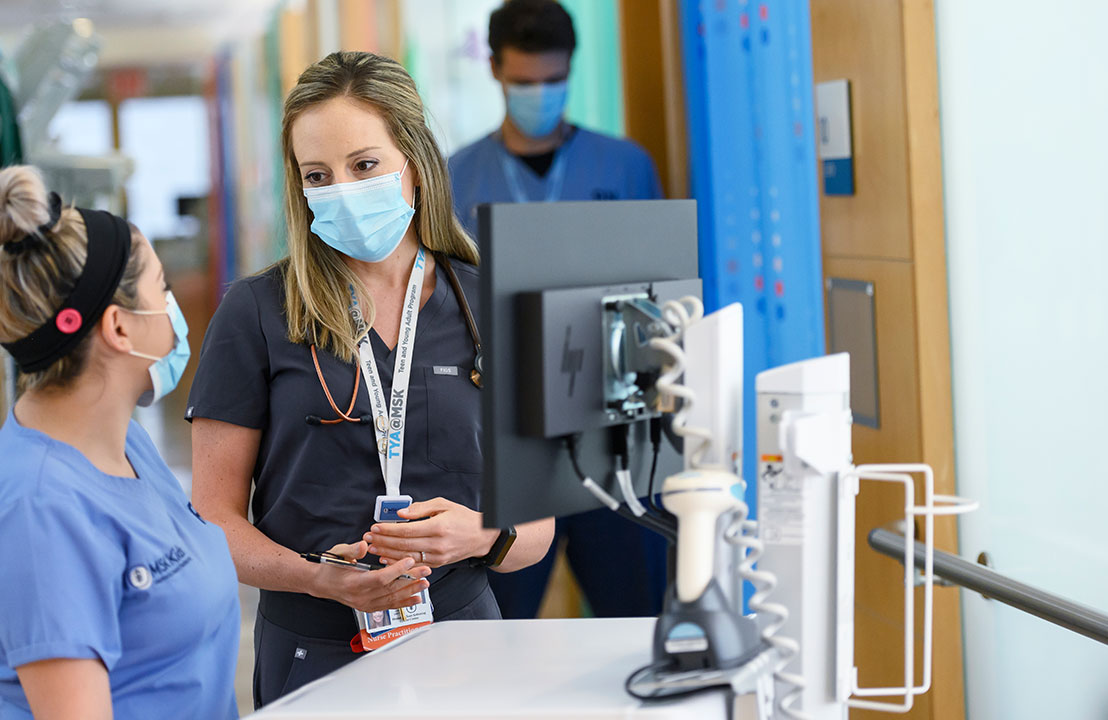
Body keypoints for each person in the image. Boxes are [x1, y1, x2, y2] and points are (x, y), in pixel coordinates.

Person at [187, 51, 555, 708]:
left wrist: (479, 535)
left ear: (414, 163)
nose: (344, 191)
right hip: (315, 649)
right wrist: (320, 579)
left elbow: (538, 527)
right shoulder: (256, 313)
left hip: (463, 638)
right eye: (318, 176)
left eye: (364, 166)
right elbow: (212, 519)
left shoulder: (491, 303)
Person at [448, 0, 669, 619]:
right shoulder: (455, 179)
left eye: (552, 81)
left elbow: (660, 299)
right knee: (495, 629)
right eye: (524, 82)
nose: (539, 95)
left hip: (613, 439)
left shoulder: (625, 168)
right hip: (504, 445)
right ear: (494, 69)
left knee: (635, 622)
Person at [0, 165, 240, 719]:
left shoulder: (127, 445)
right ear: (120, 328)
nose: (174, 306)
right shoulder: (40, 509)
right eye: (163, 287)